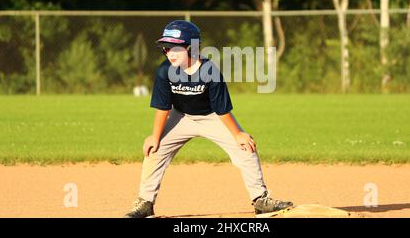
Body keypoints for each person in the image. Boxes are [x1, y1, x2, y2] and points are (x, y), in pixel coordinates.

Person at [125, 20, 293, 218]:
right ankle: (145, 203)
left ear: (192, 47)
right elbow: (163, 107)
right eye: (166, 48)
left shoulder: (210, 71)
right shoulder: (164, 71)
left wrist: (238, 134)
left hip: (212, 117)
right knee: (155, 150)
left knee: (245, 148)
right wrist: (155, 136)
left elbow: (222, 109)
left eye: (175, 48)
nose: (169, 53)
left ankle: (260, 200)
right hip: (180, 117)